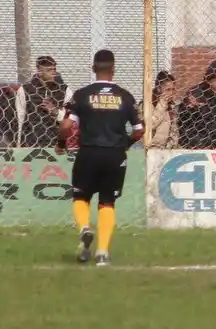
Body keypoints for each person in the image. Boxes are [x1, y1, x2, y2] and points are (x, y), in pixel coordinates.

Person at [57, 49, 143, 266]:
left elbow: (67, 125)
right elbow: (139, 130)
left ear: (93, 68)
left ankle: (85, 227)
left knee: (80, 197)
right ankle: (102, 253)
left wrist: (60, 142)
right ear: (113, 69)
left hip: (88, 152)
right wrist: (125, 144)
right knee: (107, 202)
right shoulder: (125, 97)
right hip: (114, 154)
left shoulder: (82, 95)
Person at [18, 55, 68, 148]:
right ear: (40, 72)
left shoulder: (64, 90)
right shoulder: (25, 90)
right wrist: (18, 142)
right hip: (30, 142)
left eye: (54, 69)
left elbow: (70, 119)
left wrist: (55, 111)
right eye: (49, 70)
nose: (53, 73)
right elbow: (20, 117)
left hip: (55, 142)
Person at [150, 70, 180, 148]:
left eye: (173, 89)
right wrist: (161, 105)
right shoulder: (149, 104)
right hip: (153, 149)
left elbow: (174, 131)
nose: (171, 93)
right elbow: (150, 125)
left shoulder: (172, 106)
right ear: (159, 89)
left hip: (168, 151)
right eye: (168, 90)